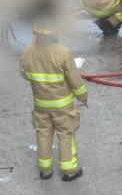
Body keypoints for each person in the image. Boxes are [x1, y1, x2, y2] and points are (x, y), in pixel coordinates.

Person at [19, 24, 86, 181]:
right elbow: (74, 79)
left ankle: (45, 171)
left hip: (40, 106)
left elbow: (23, 73)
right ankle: (69, 172)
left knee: (43, 135)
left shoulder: (29, 50)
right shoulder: (62, 51)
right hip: (63, 107)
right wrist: (83, 97)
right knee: (65, 135)